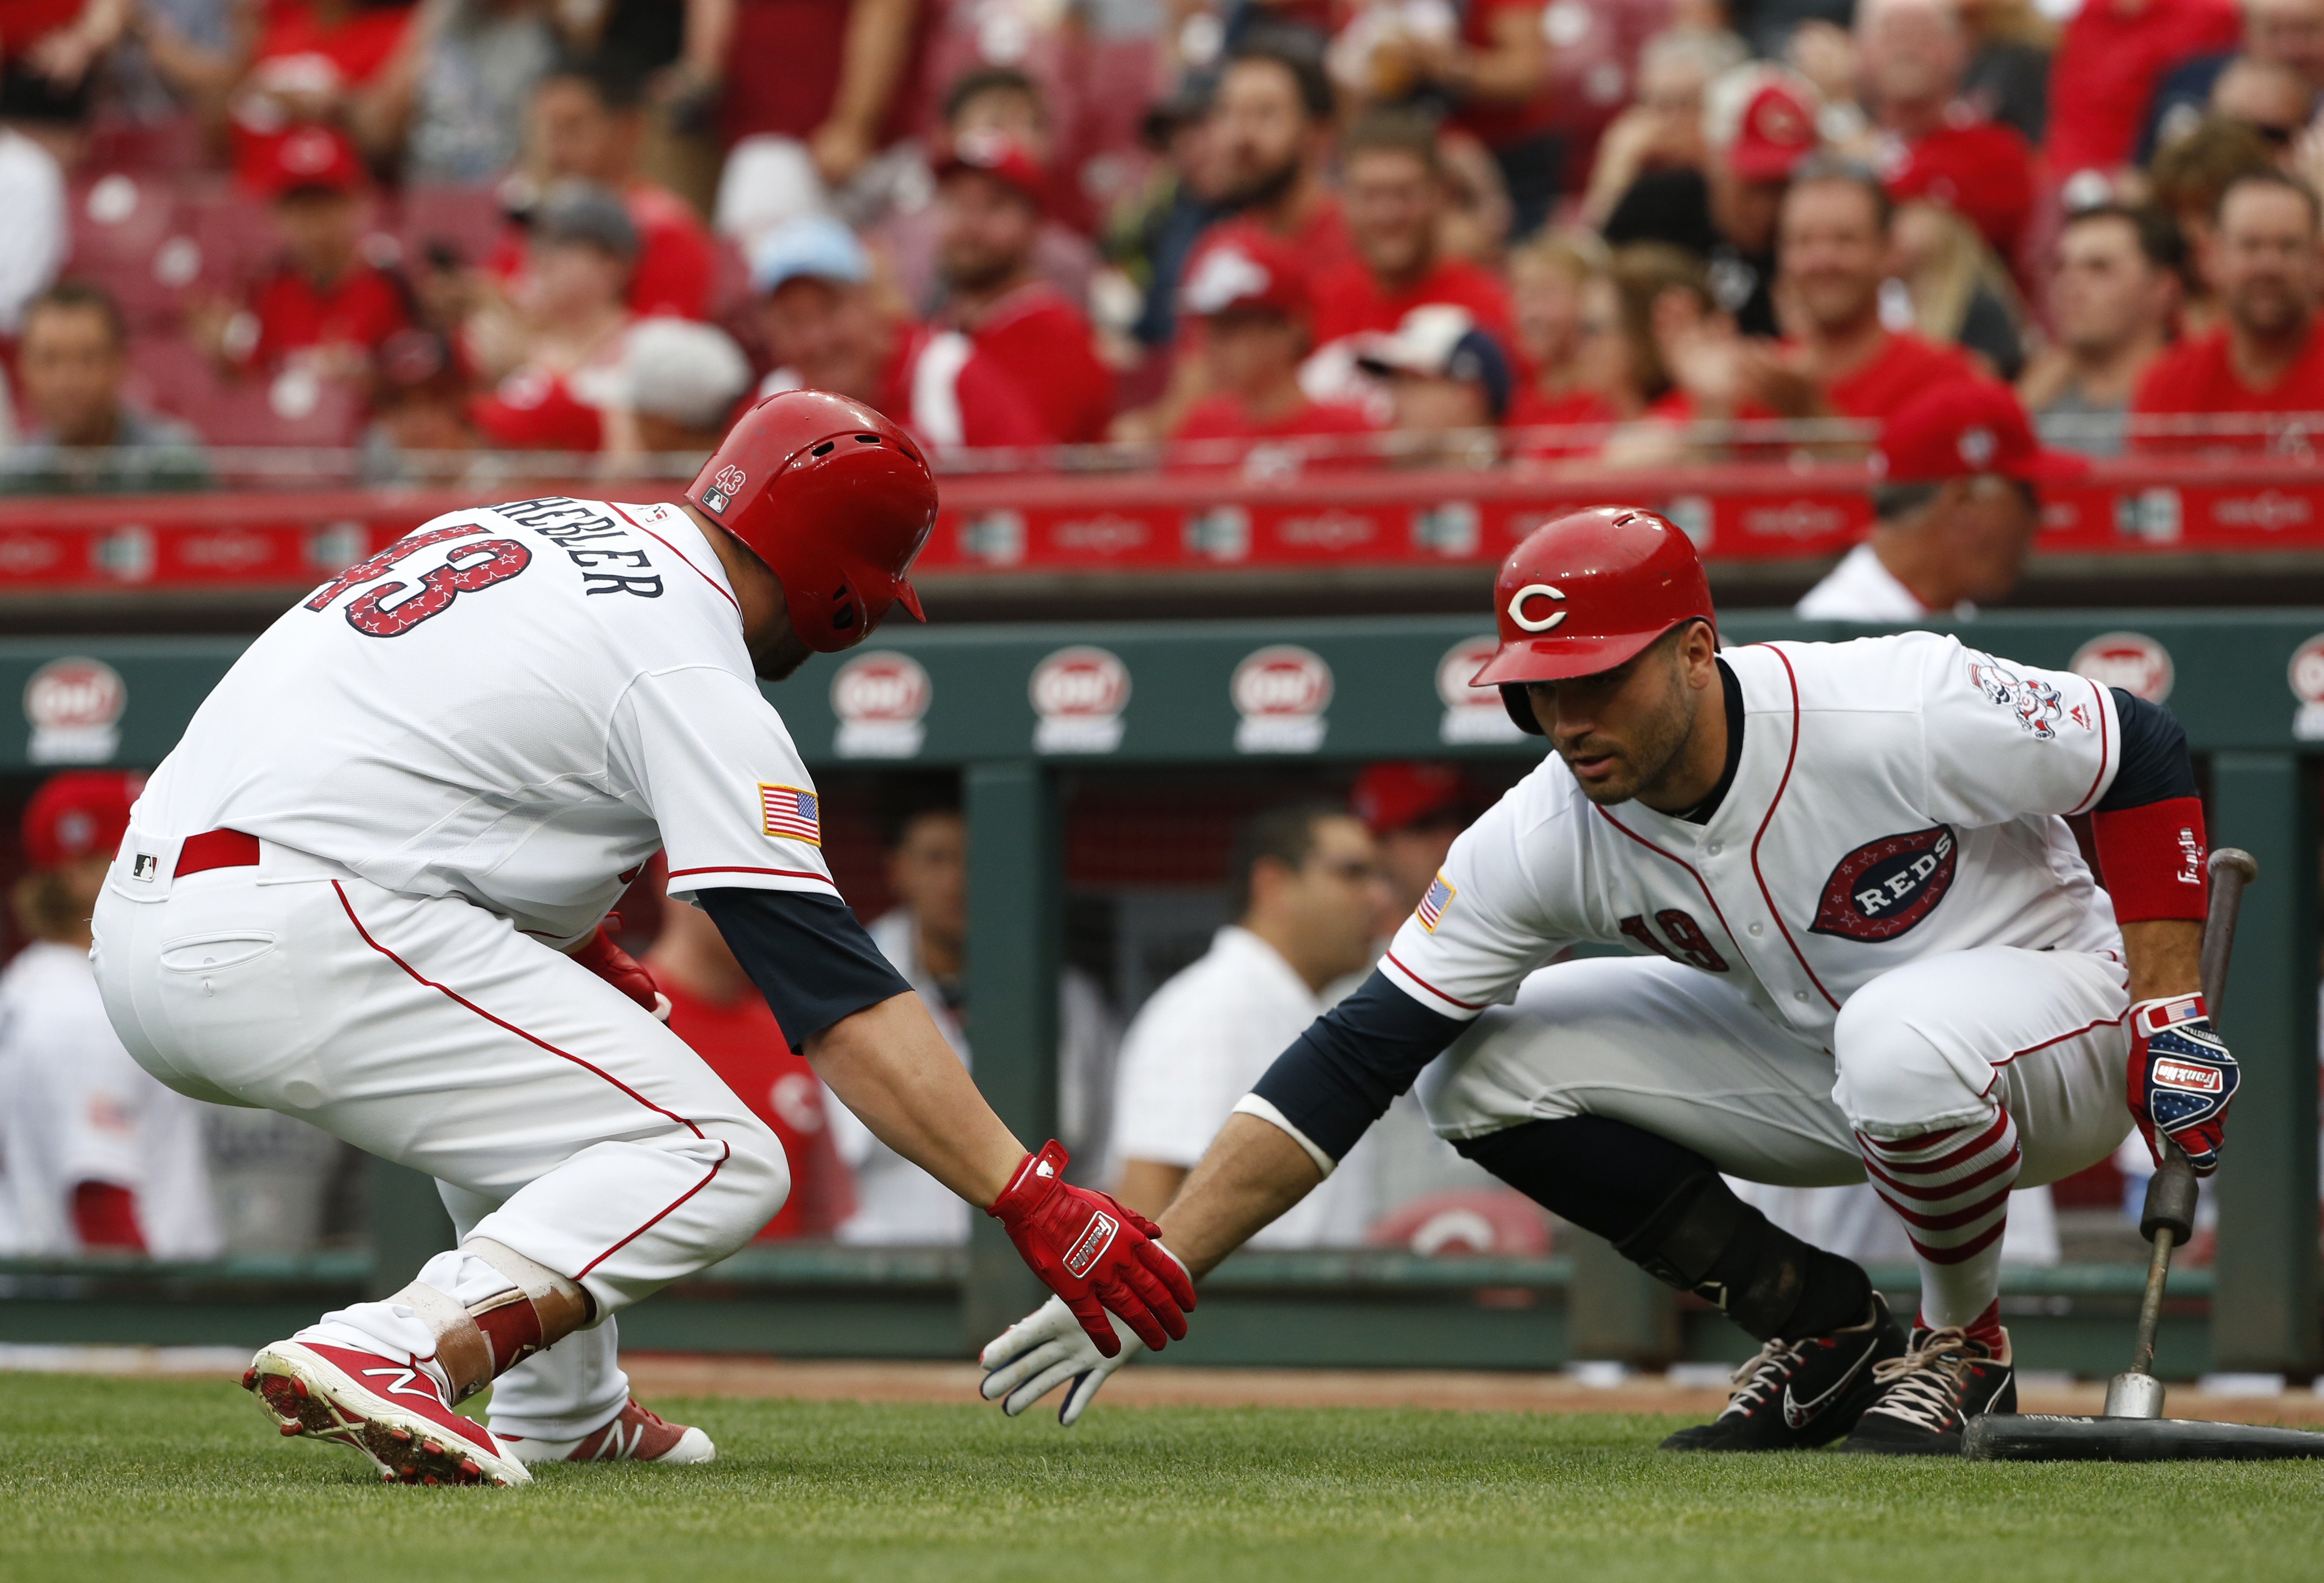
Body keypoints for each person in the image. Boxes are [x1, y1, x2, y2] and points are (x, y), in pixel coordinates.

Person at [93, 389, 1195, 1486]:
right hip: (300, 922)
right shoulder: (690, 660)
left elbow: (443, 764)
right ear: (839, 593)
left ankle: (564, 1407)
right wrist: (1028, 1191)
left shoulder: (531, 521)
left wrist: (574, 949)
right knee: (718, 1150)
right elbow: (834, 996)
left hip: (154, 913)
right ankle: (398, 1343)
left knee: (584, 1094)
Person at [984, 504, 2229, 1457]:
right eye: (1537, 689)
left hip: (2056, 1021)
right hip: (1841, 1056)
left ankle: (1963, 1342)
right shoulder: (1546, 827)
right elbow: (1359, 1046)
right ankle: (1822, 1323)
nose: (1566, 715)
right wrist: (1164, 1262)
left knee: (1900, 1039)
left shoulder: (1885, 700)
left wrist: (2167, 1008)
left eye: (1598, 676)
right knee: (1471, 1069)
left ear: (1696, 648)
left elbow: (2136, 745)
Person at [838, 791, 1122, 1243]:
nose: (959, 879)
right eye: (937, 858)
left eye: (976, 858)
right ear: (898, 870)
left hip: (1038, 1274)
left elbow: (1107, 1162)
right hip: (879, 1279)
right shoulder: (840, 984)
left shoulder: (1070, 999)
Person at [1106, 803, 1391, 1247]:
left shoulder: (1298, 1002)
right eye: (1352, 873)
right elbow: (1143, 1213)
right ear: (1273, 885)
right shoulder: (1208, 1008)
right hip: (1240, 1312)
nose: (1379, 897)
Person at [0, 772, 221, 1261]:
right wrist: (147, 1324)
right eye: (142, 855)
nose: (166, 871)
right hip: (115, 1327)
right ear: (78, 874)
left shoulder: (32, 986)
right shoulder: (80, 1008)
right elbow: (101, 1205)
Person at [645, 871, 851, 1244]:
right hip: (658, 1300)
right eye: (747, 887)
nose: (769, 911)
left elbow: (828, 1216)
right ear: (674, 882)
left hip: (779, 1295)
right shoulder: (619, 1014)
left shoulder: (798, 1034)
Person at [1798, 378, 2081, 633]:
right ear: (1963, 503)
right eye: (2026, 494)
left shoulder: (1955, 614)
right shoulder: (1831, 641)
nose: (2039, 518)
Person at [748, 213, 1049, 453]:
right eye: (793, 321)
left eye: (831, 310)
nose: (817, 340)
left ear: (875, 302)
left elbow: (1031, 496)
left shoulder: (950, 375)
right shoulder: (770, 407)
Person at [1604, 64, 1821, 340]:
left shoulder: (1817, 245)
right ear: (1714, 159)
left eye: (1785, 187)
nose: (1768, 208)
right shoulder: (1658, 206)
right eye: (1754, 186)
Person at [498, 51, 717, 321]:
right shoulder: (534, 223)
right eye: (546, 128)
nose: (555, 147)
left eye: (573, 126)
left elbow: (659, 351)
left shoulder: (667, 235)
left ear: (629, 129)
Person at [928, 130, 1114, 446]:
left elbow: (1023, 474)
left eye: (994, 207)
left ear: (1033, 224)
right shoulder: (946, 327)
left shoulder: (1057, 338)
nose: (969, 224)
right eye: (956, 203)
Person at [875, 65, 1099, 314]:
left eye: (1034, 125)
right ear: (947, 136)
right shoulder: (898, 246)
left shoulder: (1069, 264)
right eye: (998, 122)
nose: (1019, 139)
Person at [1307, 109, 1517, 370]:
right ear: (1344, 201)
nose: (1387, 214)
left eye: (1405, 194)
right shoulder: (1317, 308)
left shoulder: (1492, 312)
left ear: (1440, 195)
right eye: (1370, 196)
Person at [712, 0, 931, 247]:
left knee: (767, 267)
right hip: (756, 124)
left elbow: (888, 10)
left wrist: (854, 127)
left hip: (817, 148)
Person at [2133, 168, 2324, 452]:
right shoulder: (2167, 386)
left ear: (2318, 262)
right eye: (2250, 246)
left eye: (2289, 246)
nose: (2269, 265)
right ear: (2211, 258)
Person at [1170, 223, 1376, 476]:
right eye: (1209, 331)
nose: (1213, 347)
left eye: (1231, 330)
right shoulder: (1203, 429)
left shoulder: (1346, 434)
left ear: (1292, 328)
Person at [231, 124, 415, 382]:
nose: (314, 221)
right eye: (301, 205)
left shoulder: (391, 285)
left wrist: (368, 379)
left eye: (326, 202)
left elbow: (416, 381)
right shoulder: (267, 288)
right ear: (278, 214)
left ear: (357, 203)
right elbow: (251, 379)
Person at [1852, 0, 2035, 258]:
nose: (1907, 48)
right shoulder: (1833, 152)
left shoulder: (1996, 152)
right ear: (1861, 51)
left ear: (1960, 49)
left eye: (1923, 34)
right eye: (1892, 35)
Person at [464, 181, 637, 453]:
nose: (538, 256)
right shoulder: (505, 342)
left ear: (612, 264)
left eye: (560, 243)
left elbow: (631, 469)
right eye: (535, 240)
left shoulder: (646, 347)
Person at [2, 282, 209, 494]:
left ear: (119, 362)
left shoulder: (172, 466)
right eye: (49, 360)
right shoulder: (16, 477)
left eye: (89, 359)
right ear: (24, 368)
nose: (68, 381)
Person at [2017, 205, 2182, 457]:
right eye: (2061, 267)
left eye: (2099, 268)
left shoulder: (2193, 402)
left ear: (2162, 289)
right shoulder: (2035, 398)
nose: (2069, 285)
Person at [2042, 0, 2240, 181]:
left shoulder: (2210, 16)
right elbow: (2071, 106)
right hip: (2069, 174)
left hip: (2151, 177)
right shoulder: (2090, 14)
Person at [1576, 28, 1751, 230]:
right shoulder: (1641, 171)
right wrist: (1619, 164)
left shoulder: (1745, 167)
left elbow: (1744, 238)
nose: (1672, 121)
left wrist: (1714, 162)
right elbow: (1593, 242)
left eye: (1688, 104)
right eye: (1660, 105)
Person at [2140, 0, 2324, 164]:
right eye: (2274, 30)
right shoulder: (2192, 82)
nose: (2290, 48)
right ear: (2247, 31)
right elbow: (2141, 174)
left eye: (2307, 30)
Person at [1354, 303, 1515, 466]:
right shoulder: (1373, 484)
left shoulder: (1525, 485)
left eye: (1412, 384)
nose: (1394, 399)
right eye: (1394, 384)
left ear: (1467, 397)